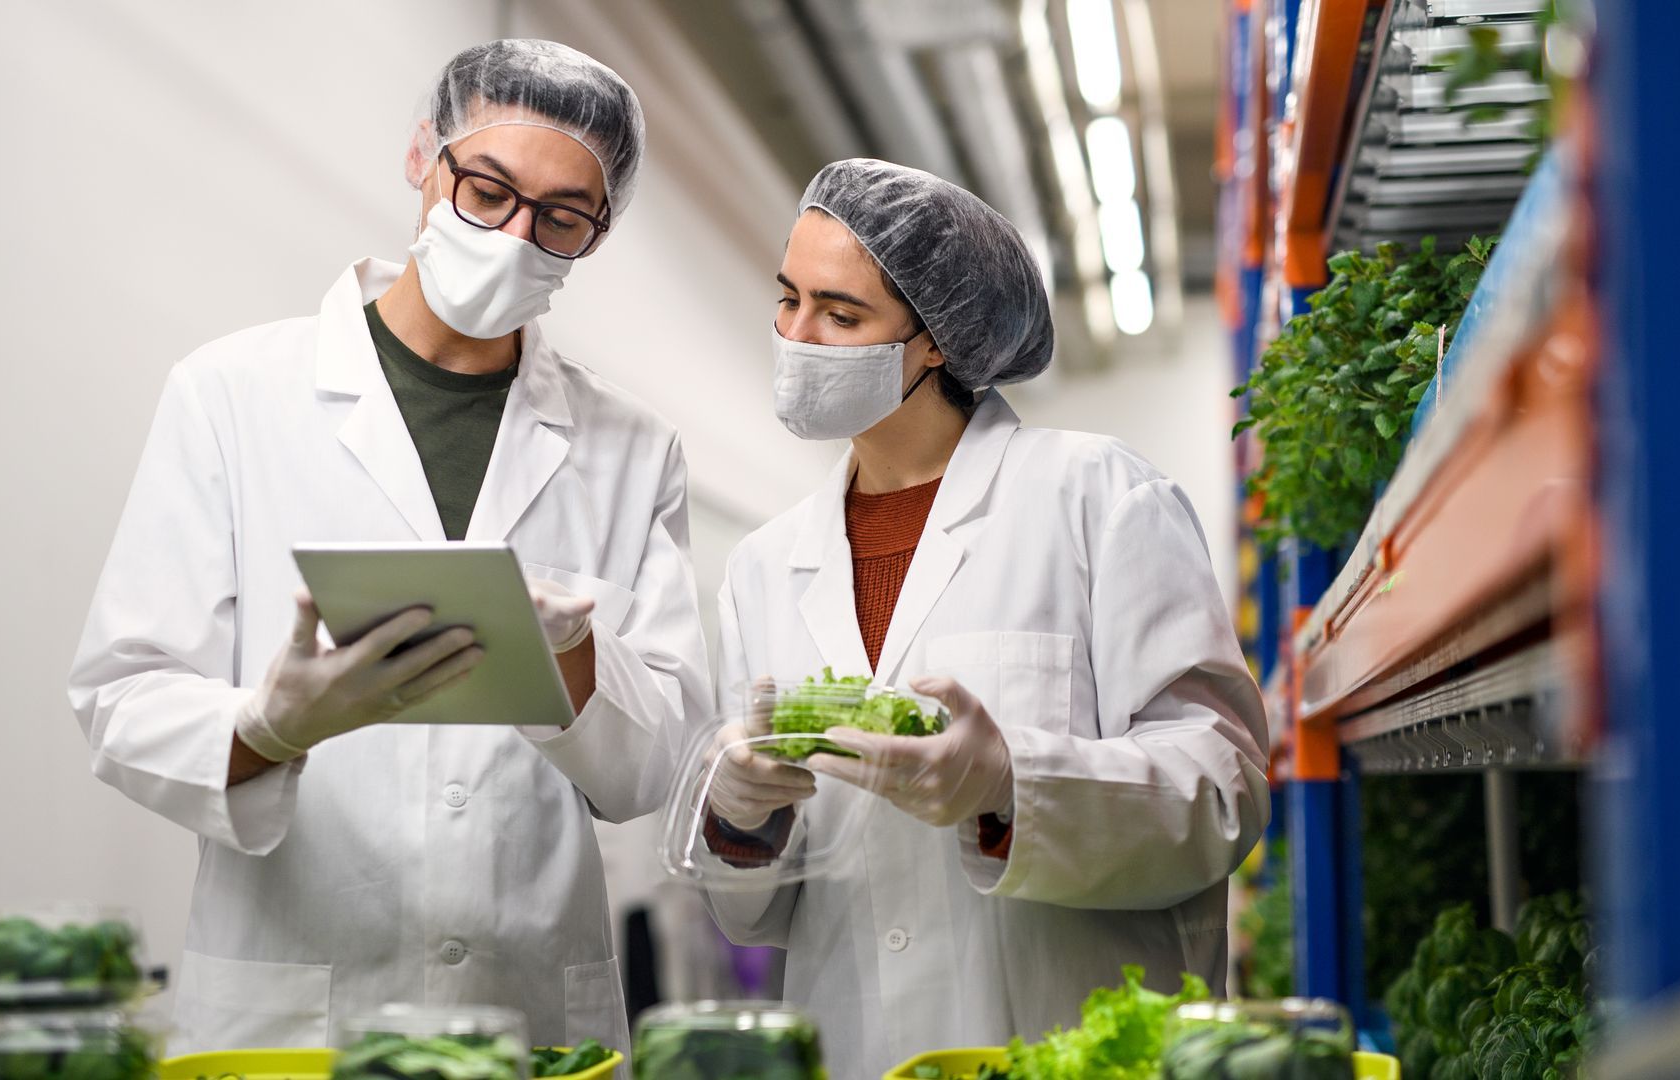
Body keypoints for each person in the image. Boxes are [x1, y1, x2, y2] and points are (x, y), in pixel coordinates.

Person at [68, 41, 708, 1057]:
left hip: (529, 999)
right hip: (294, 1003)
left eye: (560, 218)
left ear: (599, 229)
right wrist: (269, 728)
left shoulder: (634, 447)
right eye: (487, 190)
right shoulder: (231, 393)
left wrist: (575, 663)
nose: (514, 237)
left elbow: (660, 766)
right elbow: (122, 696)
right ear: (422, 157)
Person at [700, 159, 1270, 1077]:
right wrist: (741, 819)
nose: (796, 337)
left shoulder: (1098, 495)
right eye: (788, 299)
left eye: (840, 316)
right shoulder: (763, 568)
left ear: (936, 342)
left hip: (1055, 1047)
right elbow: (753, 917)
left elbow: (1223, 788)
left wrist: (1010, 784)